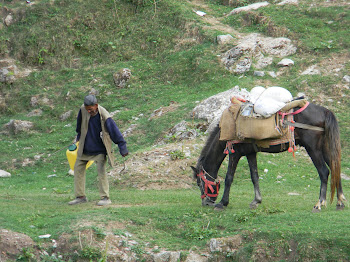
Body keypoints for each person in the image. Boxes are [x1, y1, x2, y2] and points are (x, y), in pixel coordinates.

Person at [68, 95, 128, 206]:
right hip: (85, 147)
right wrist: (78, 137)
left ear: (96, 105)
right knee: (78, 168)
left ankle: (105, 198)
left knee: (101, 172)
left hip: (99, 149)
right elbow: (79, 125)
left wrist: (122, 146)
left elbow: (114, 131)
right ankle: (80, 196)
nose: (89, 111)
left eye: (90, 109)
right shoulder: (83, 109)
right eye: (87, 109)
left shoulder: (104, 115)